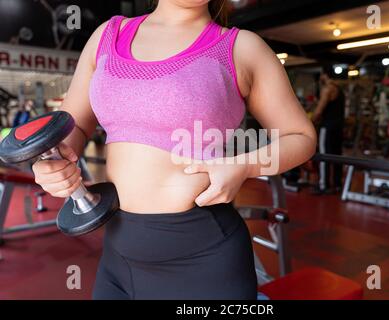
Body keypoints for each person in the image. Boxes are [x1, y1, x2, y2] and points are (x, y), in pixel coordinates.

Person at [32, 0, 316, 300]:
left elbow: (301, 136)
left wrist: (245, 165)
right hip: (117, 254)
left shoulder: (241, 47)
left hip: (203, 259)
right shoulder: (108, 35)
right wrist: (55, 160)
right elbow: (72, 126)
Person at [312, 65, 345, 194]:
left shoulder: (327, 89)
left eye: (321, 75)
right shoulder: (339, 90)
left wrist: (309, 123)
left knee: (324, 156)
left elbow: (319, 111)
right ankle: (337, 185)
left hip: (328, 127)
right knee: (337, 156)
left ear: (324, 75)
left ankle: (323, 185)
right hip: (338, 127)